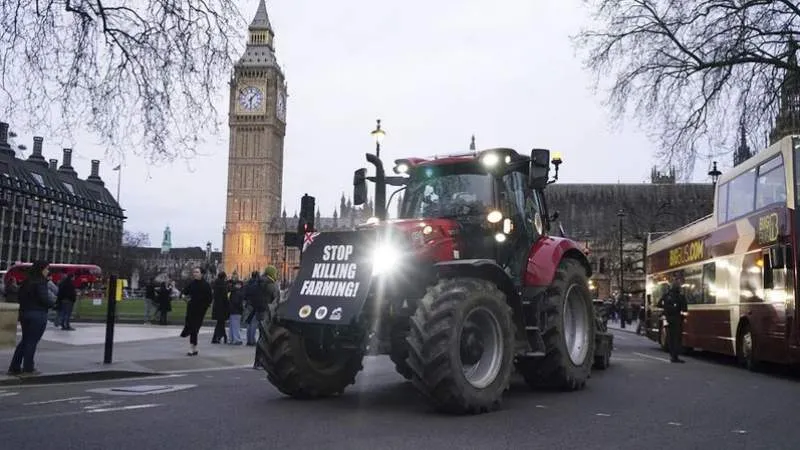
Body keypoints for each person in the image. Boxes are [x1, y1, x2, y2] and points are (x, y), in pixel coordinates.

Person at [7, 260, 54, 376]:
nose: (48, 271)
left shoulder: (26, 281)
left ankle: (14, 366)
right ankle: (28, 367)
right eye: (47, 269)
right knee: (32, 342)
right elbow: (44, 299)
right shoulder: (40, 282)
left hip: (25, 313)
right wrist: (53, 303)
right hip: (38, 314)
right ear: (41, 269)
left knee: (25, 341)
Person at [180, 267, 213, 356]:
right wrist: (185, 298)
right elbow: (184, 292)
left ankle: (192, 347)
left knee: (195, 329)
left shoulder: (206, 285)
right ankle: (193, 348)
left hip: (200, 310)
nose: (195, 273)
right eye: (194, 272)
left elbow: (209, 298)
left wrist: (205, 306)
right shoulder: (192, 284)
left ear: (201, 274)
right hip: (191, 308)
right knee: (193, 328)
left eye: (197, 272)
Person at [657, 276, 688, 363]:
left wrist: (665, 307)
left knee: (670, 337)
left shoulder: (666, 296)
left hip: (667, 319)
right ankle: (675, 356)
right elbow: (684, 310)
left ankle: (672, 355)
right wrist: (683, 318)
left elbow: (658, 304)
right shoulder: (681, 297)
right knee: (677, 338)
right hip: (677, 319)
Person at [211, 272, 230, 344]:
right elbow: (225, 297)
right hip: (222, 307)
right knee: (220, 323)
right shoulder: (223, 285)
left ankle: (219, 336)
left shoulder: (216, 284)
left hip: (217, 306)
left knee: (220, 323)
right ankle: (218, 337)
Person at [228, 280, 244, 345]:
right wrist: (241, 308)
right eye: (239, 284)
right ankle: (236, 339)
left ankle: (231, 339)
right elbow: (237, 302)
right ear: (237, 285)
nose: (240, 286)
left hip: (232, 311)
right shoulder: (237, 292)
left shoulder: (232, 291)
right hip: (236, 311)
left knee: (232, 326)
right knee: (236, 326)